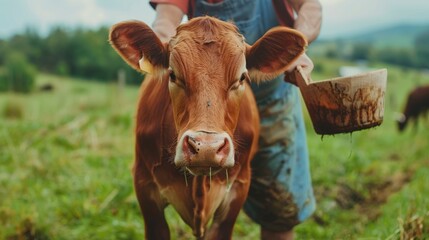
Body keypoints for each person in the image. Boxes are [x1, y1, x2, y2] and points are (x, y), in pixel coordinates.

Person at [148, 0, 322, 239]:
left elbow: (310, 6)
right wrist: (162, 47)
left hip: (271, 99)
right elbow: (166, 17)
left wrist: (296, 46)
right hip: (204, 104)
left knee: (279, 209)